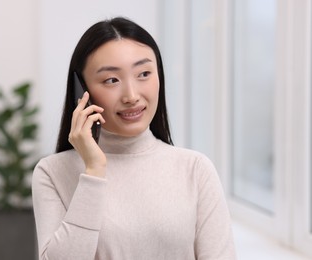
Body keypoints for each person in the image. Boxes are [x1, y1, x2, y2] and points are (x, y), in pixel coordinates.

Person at [32, 17, 236, 260]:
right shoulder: (52, 172)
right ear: (82, 91)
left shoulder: (195, 169)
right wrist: (94, 170)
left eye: (144, 73)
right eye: (111, 80)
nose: (131, 95)